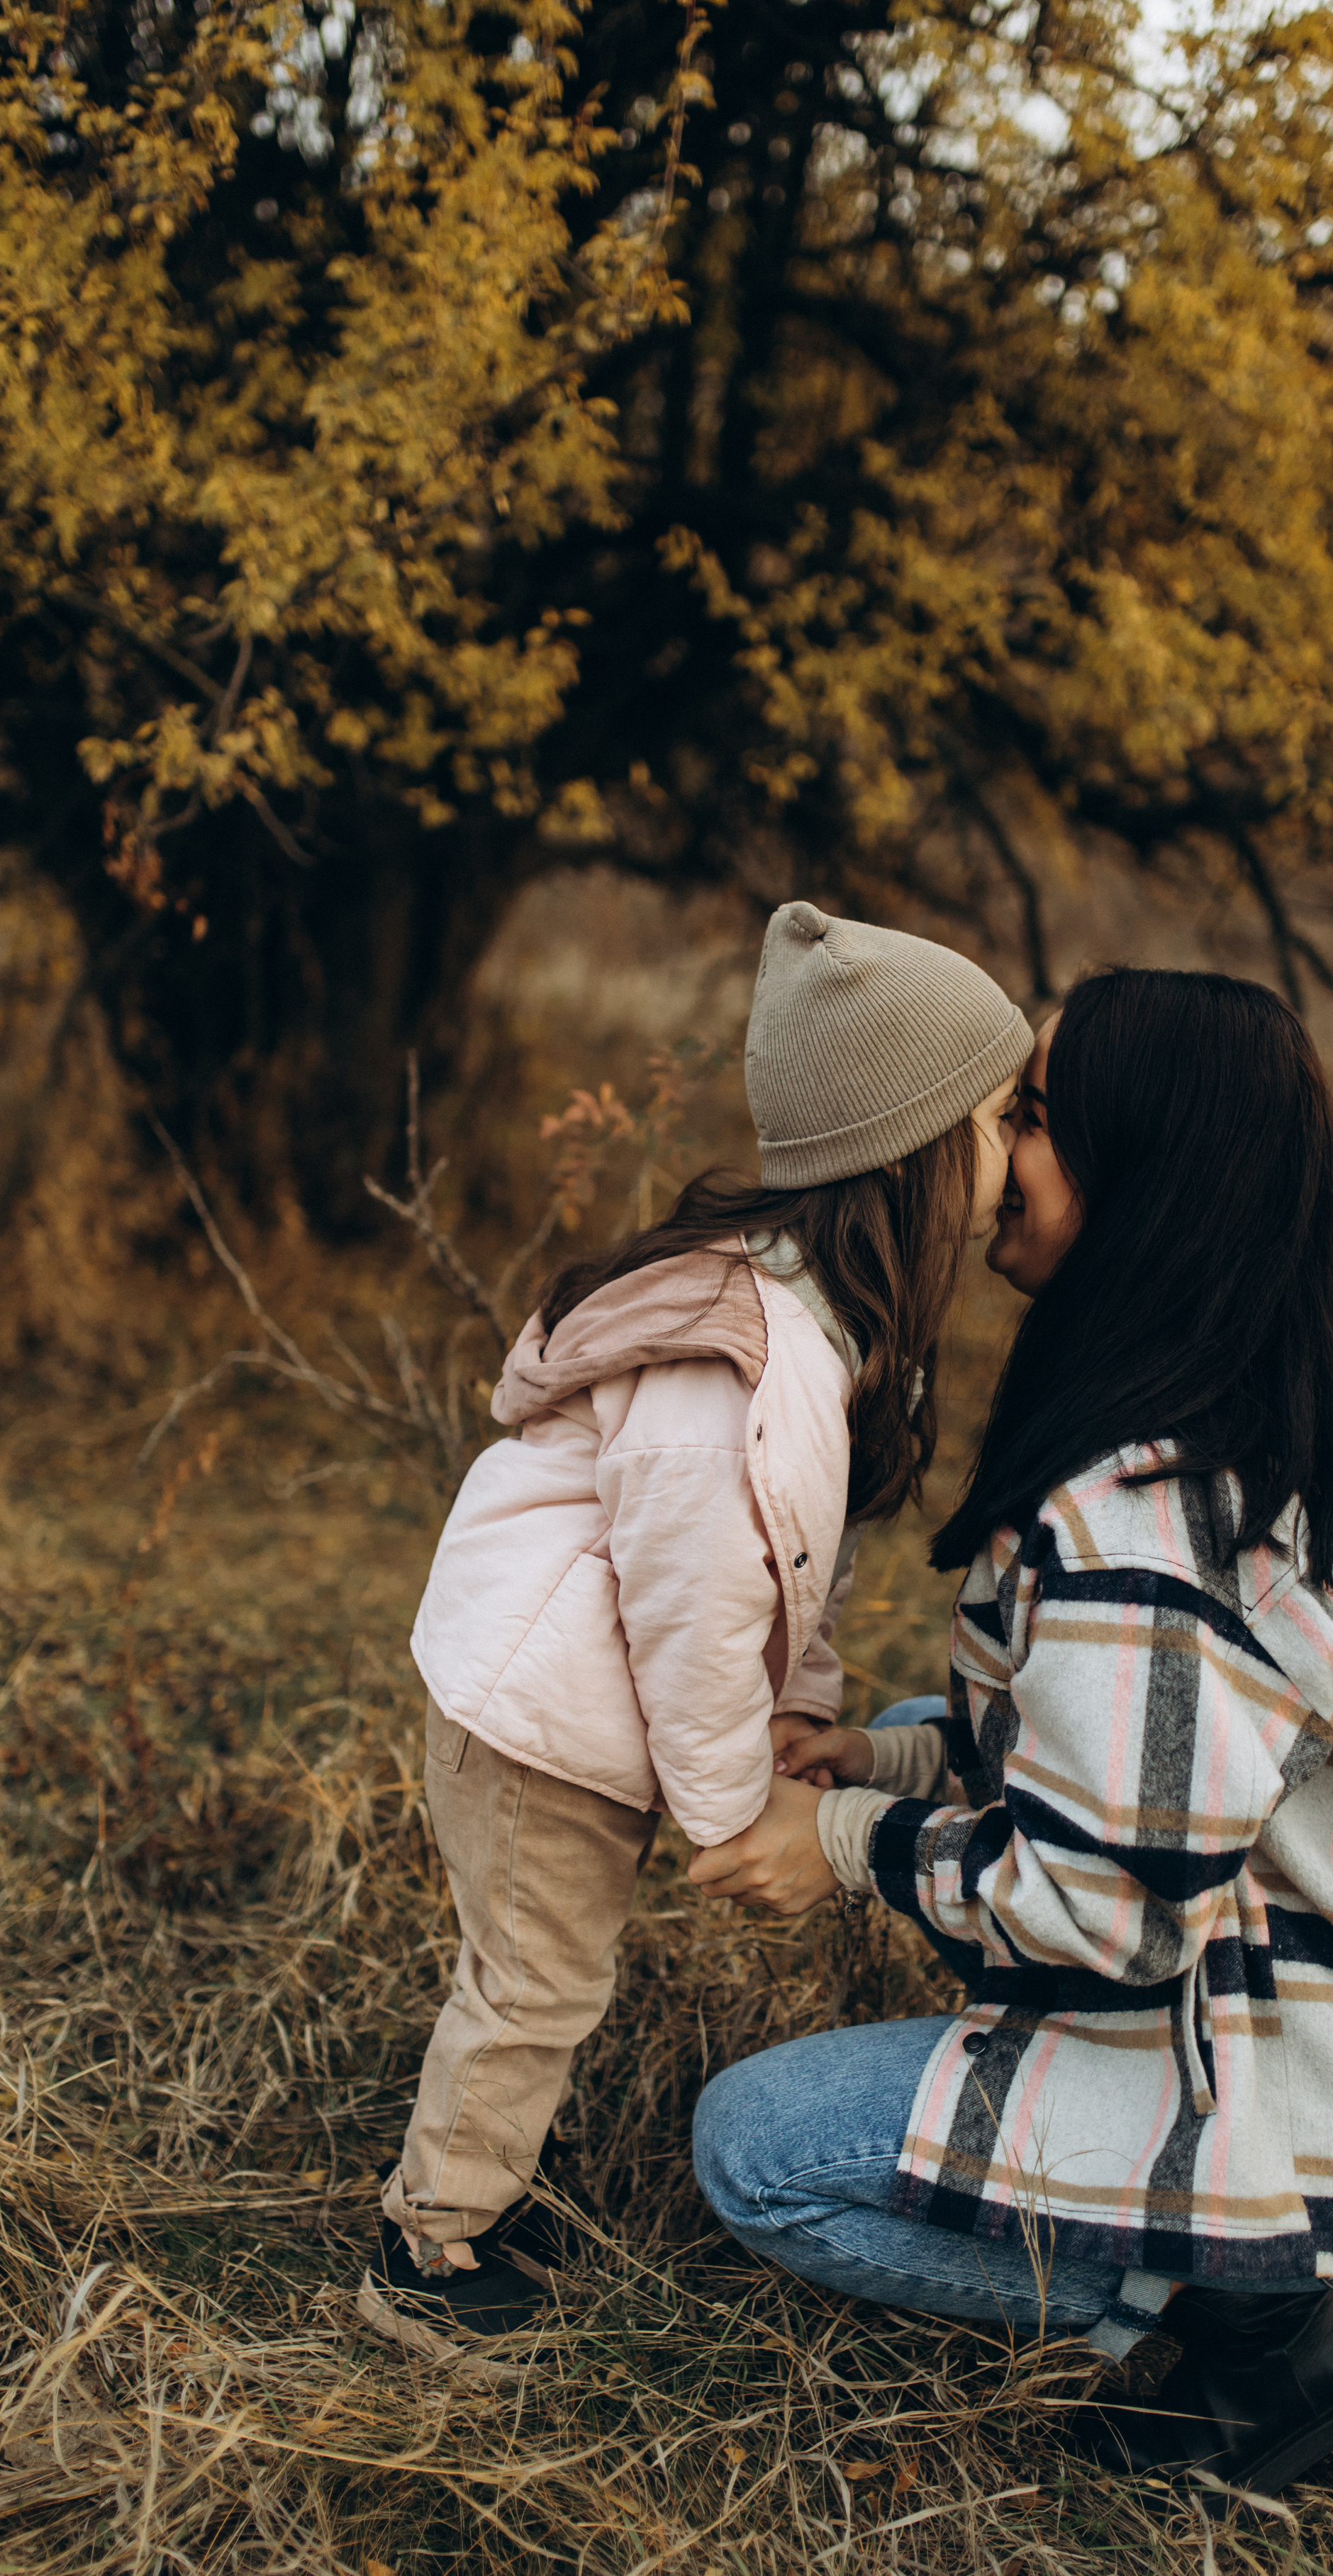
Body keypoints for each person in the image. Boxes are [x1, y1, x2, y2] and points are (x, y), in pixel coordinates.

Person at [689, 969, 1333, 2498]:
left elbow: (1111, 1914)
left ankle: (1256, 2319)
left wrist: (846, 1842)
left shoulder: (1144, 1531)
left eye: (1030, 1114)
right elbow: (1102, 1759)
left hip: (1301, 2061)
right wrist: (886, 1764)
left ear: (1141, 1171)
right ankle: (1226, 2263)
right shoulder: (1195, 1417)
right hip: (1276, 1972)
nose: (989, 1149)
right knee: (909, 1725)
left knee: (756, 2154)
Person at [359, 902, 1033, 2367]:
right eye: (997, 1120)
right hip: (535, 1722)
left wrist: (798, 1715)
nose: (1016, 1154)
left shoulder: (814, 1322)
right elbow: (692, 1604)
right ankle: (431, 2243)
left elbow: (783, 1570)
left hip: (576, 1708)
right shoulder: (742, 1360)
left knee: (544, 1973)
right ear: (910, 1151)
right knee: (536, 1981)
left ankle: (488, 2174)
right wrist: (733, 1808)